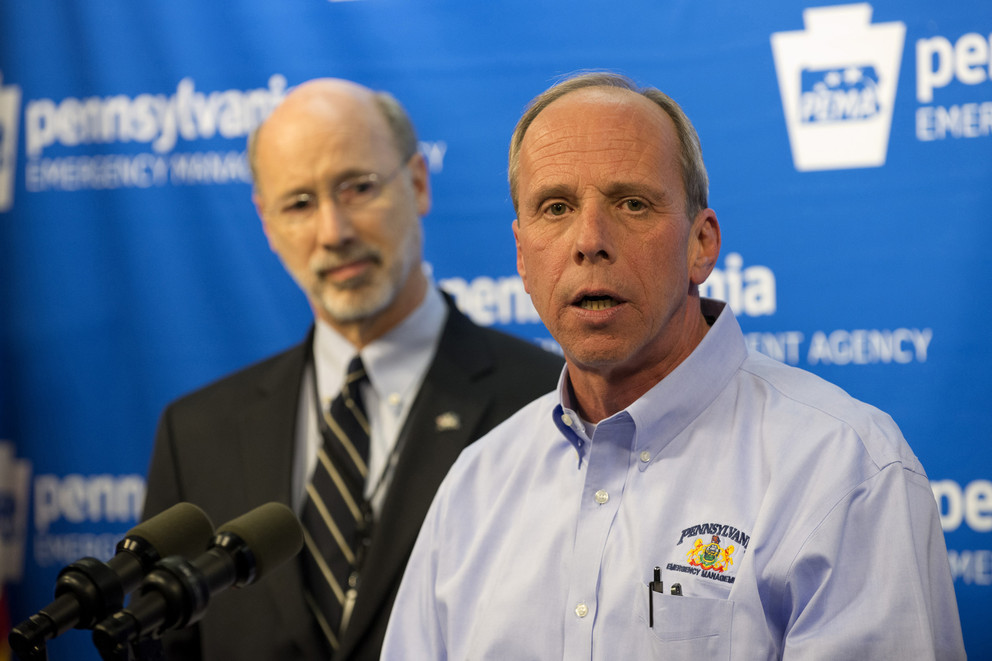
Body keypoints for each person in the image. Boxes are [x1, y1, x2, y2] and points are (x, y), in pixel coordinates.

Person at [381, 72, 966, 659]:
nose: (589, 240)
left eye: (632, 203)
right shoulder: (474, 487)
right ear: (522, 257)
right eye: (555, 208)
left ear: (701, 245)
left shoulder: (845, 468)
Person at [141, 78, 563, 661]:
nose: (333, 232)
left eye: (358, 188)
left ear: (417, 183)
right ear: (266, 223)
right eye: (299, 204)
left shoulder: (548, 403)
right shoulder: (196, 435)